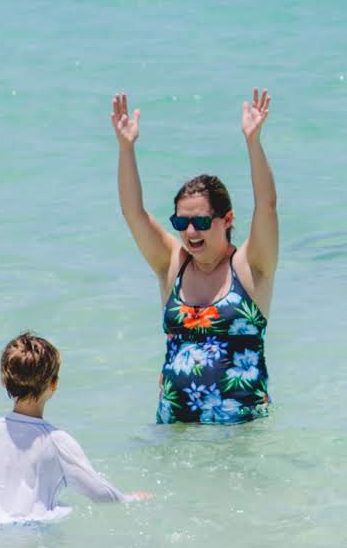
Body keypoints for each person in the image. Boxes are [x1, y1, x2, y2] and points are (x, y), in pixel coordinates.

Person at [111, 88, 278, 424]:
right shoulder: (173, 265)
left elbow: (267, 206)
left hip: (240, 439)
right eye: (181, 223)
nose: (190, 232)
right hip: (175, 433)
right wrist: (126, 148)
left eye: (201, 221)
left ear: (227, 219)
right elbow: (133, 213)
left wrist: (253, 143)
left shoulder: (250, 267)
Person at [0, 333, 145, 525]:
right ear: (54, 384)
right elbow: (99, 492)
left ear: (4, 381)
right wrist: (130, 498)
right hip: (30, 536)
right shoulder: (56, 440)